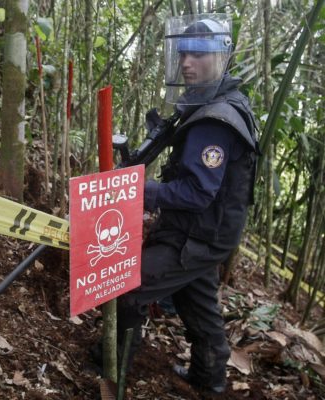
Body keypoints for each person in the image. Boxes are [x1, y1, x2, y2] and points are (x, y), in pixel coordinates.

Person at [116, 14, 259, 395]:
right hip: (210, 230)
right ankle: (208, 379)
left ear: (220, 59)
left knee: (127, 287)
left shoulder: (215, 120)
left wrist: (143, 190)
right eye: (183, 55)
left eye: (198, 55)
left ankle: (110, 368)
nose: (186, 63)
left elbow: (197, 193)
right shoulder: (224, 102)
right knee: (197, 303)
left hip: (198, 234)